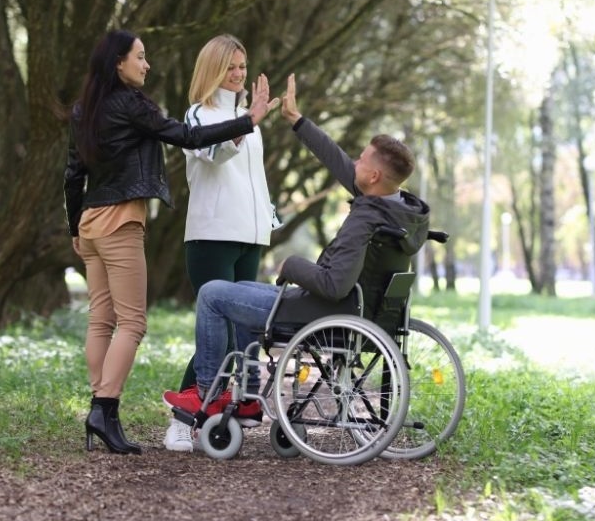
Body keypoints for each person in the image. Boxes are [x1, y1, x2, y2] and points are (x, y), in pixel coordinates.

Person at [162, 73, 430, 427]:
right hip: (354, 313)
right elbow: (336, 159)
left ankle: (207, 392)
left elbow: (334, 283)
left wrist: (291, 264)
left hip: (316, 310)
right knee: (240, 291)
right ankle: (247, 397)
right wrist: (297, 120)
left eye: (361, 159)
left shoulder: (367, 217)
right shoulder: (399, 210)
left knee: (212, 294)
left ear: (375, 177)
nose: (353, 162)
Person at [64, 29, 276, 455]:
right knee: (132, 324)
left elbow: (73, 173)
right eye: (140, 57)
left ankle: (100, 408)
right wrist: (248, 120)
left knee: (101, 321)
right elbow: (188, 138)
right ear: (118, 63)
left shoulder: (85, 108)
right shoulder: (133, 104)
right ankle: (104, 407)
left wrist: (74, 227)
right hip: (121, 218)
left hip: (89, 221)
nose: (147, 65)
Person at [164, 35, 278, 452]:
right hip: (212, 236)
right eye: (230, 67)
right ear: (212, 70)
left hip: (250, 236)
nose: (238, 74)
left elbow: (253, 179)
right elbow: (213, 154)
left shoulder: (251, 118)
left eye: (243, 67)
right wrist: (249, 122)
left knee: (247, 331)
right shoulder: (199, 114)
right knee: (219, 333)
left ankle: (235, 409)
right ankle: (181, 419)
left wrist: (266, 216)